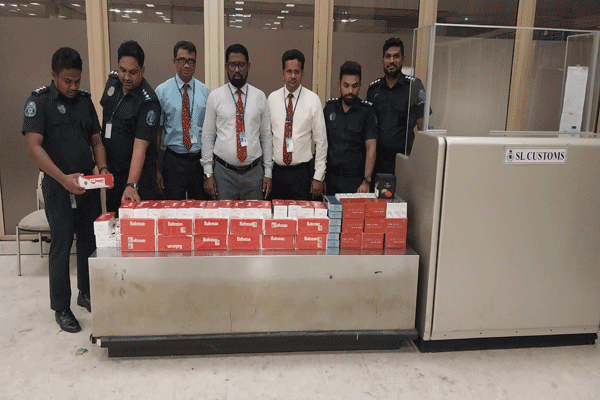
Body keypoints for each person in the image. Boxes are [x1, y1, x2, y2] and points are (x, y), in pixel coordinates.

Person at [22, 47, 107, 333]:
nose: (72, 87)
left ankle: (86, 292)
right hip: (58, 185)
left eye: (77, 81)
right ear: (53, 75)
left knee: (88, 240)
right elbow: (34, 147)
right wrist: (63, 179)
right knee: (61, 244)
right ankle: (61, 307)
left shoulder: (84, 101)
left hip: (86, 184)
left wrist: (102, 168)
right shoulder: (39, 102)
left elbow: (96, 140)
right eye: (67, 81)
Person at [201, 44, 272, 200]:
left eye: (241, 64)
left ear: (248, 66)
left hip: (254, 175)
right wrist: (208, 174)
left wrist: (268, 173)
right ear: (226, 67)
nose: (237, 69)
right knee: (225, 215)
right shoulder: (215, 97)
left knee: (254, 215)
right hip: (223, 174)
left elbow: (266, 137)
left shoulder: (260, 97)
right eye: (232, 65)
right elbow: (207, 137)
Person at [100, 40, 161, 212]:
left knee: (136, 225)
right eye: (123, 70)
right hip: (113, 175)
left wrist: (131, 184)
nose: (126, 77)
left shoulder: (148, 102)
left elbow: (139, 148)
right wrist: (103, 166)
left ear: (142, 70)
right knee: (113, 221)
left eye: (133, 72)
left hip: (137, 178)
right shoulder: (113, 81)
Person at [268, 49, 327, 200]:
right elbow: (267, 138)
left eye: (297, 72)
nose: (293, 76)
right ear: (282, 73)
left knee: (301, 213)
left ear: (303, 74)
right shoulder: (272, 99)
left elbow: (321, 142)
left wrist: (318, 176)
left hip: (302, 174)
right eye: (289, 71)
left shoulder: (313, 100)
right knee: (277, 214)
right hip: (277, 173)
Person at [155, 41, 210, 200]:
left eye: (191, 61)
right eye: (182, 60)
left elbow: (209, 132)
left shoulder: (205, 92)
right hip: (173, 160)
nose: (187, 65)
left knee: (200, 208)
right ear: (174, 61)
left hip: (198, 161)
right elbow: (157, 132)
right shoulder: (162, 91)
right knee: (172, 207)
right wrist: (157, 168)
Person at [366, 37, 427, 175]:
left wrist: (422, 164)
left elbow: (423, 130)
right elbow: (367, 128)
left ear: (403, 59)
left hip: (405, 163)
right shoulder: (373, 89)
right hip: (378, 164)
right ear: (382, 60)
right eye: (388, 56)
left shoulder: (414, 87)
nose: (392, 61)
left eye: (396, 56)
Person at [324, 61, 377, 195]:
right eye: (346, 85)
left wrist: (366, 181)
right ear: (339, 84)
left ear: (360, 86)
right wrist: (320, 177)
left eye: (354, 86)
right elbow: (321, 144)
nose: (350, 91)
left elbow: (371, 148)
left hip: (356, 182)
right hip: (330, 180)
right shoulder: (329, 108)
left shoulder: (367, 111)